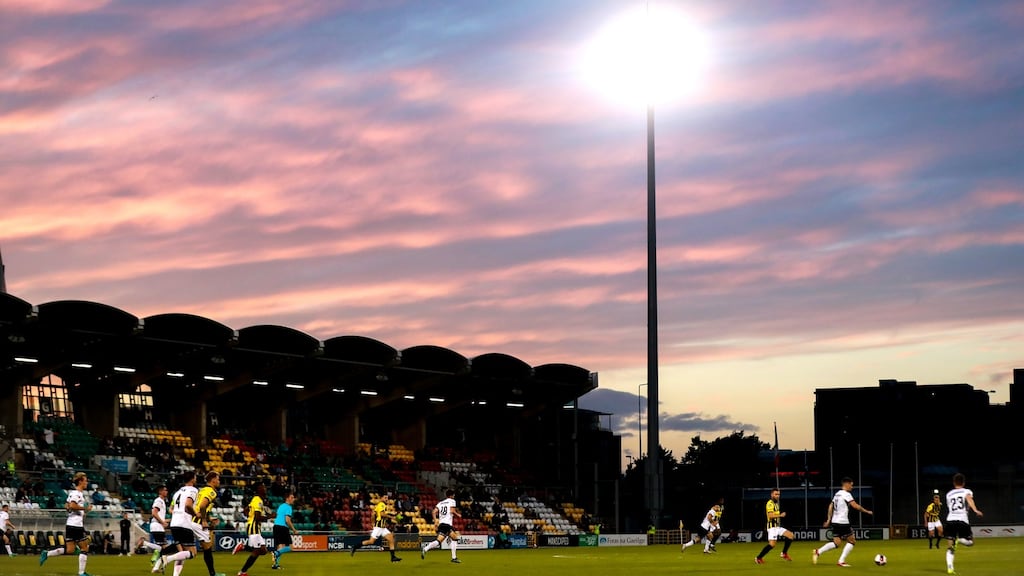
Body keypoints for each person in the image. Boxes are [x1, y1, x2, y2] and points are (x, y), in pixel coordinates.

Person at [40, 471, 93, 575]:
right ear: (81, 481)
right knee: (84, 547)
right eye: (85, 480)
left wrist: (82, 511)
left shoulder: (73, 493)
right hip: (76, 525)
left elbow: (67, 506)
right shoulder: (77, 493)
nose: (87, 482)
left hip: (70, 524)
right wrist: (85, 508)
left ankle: (47, 554)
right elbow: (72, 506)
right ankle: (81, 573)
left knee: (70, 549)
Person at [812, 477, 873, 567]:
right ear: (846, 484)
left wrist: (829, 519)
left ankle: (818, 551)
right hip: (843, 522)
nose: (852, 487)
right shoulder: (846, 494)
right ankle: (841, 561)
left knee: (837, 543)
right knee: (852, 541)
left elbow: (830, 506)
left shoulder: (837, 494)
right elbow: (855, 506)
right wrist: (867, 511)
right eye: (851, 485)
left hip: (835, 521)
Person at [153, 470, 200, 575]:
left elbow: (172, 508)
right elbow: (188, 505)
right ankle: (168, 558)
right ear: (192, 479)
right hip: (184, 524)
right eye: (195, 477)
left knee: (182, 552)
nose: (196, 479)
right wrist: (195, 514)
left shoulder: (177, 492)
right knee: (192, 553)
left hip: (174, 523)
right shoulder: (193, 490)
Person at [945, 472, 983, 575]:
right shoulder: (967, 491)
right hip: (962, 520)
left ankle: (950, 567)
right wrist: (975, 510)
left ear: (954, 483)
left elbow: (950, 507)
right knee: (971, 542)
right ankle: (960, 540)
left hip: (950, 520)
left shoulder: (948, 494)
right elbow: (969, 499)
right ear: (964, 482)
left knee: (950, 547)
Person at [232, 483, 271, 576]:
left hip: (255, 528)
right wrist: (270, 516)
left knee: (264, 550)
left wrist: (249, 514)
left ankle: (243, 546)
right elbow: (257, 517)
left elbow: (246, 510)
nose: (265, 489)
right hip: (253, 527)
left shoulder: (255, 500)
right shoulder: (258, 501)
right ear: (259, 490)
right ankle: (242, 572)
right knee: (257, 551)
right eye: (263, 487)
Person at [349, 493, 401, 562]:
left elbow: (373, 514)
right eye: (385, 497)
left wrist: (373, 522)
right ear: (381, 498)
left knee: (391, 539)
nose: (386, 499)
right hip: (379, 527)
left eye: (387, 498)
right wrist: (392, 517)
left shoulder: (380, 505)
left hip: (382, 528)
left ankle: (393, 557)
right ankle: (355, 547)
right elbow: (382, 514)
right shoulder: (381, 505)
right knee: (371, 541)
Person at [193, 471, 226, 576]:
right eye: (218, 479)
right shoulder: (211, 492)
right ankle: (213, 574)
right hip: (197, 522)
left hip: (191, 519)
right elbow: (202, 506)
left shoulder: (202, 490)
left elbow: (201, 507)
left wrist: (209, 518)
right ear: (213, 480)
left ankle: (163, 556)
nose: (219, 481)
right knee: (207, 548)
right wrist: (203, 520)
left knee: (185, 546)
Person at [420, 489, 461, 563]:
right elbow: (452, 511)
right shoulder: (452, 501)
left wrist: (436, 521)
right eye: (454, 495)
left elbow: (433, 512)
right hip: (447, 524)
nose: (454, 496)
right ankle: (454, 558)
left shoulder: (440, 503)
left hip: (441, 524)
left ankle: (425, 548)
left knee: (438, 541)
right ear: (451, 495)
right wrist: (458, 514)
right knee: (455, 538)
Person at [755, 488, 795, 564]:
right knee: (772, 545)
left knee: (791, 535)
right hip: (772, 528)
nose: (777, 496)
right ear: (772, 494)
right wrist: (780, 515)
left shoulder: (776, 504)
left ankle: (784, 553)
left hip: (777, 527)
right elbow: (770, 515)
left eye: (778, 494)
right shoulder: (770, 503)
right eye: (776, 494)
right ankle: (758, 558)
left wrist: (779, 515)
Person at [138, 485, 170, 565]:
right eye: (165, 490)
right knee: (163, 547)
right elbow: (154, 513)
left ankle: (156, 566)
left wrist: (169, 520)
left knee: (162, 548)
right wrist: (162, 523)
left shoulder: (162, 501)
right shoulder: (159, 501)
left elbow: (159, 516)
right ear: (160, 492)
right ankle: (144, 543)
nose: (166, 491)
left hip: (158, 525)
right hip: (157, 526)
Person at [270, 491, 298, 570]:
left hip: (276, 527)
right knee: (290, 547)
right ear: (287, 498)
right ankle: (275, 553)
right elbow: (287, 520)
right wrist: (294, 530)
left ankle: (275, 564)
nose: (293, 499)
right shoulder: (288, 507)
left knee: (280, 546)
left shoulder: (281, 506)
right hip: (283, 527)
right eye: (292, 497)